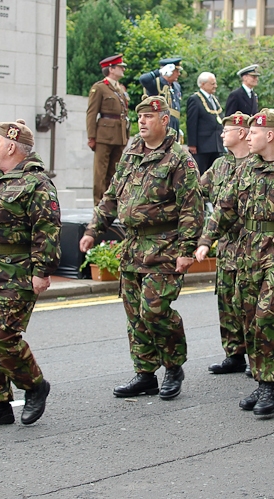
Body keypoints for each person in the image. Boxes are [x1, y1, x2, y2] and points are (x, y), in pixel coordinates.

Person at [80, 96, 203, 400]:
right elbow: (111, 194)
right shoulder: (132, 152)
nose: (143, 122)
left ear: (164, 120)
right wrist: (93, 229)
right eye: (140, 117)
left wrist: (187, 250)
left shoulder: (179, 159)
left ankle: (173, 366)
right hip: (133, 246)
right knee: (135, 314)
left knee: (154, 310)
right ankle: (145, 373)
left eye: (149, 116)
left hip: (165, 246)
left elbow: (192, 208)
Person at [196, 108, 274, 417]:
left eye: (254, 132)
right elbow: (225, 208)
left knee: (266, 316)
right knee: (248, 319)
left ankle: (272, 386)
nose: (248, 136)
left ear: (269, 135)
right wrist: (206, 240)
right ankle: (261, 380)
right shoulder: (245, 169)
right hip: (247, 254)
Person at [0, 119, 60, 428]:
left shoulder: (36, 183)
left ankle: (34, 386)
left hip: (14, 276)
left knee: (2, 339)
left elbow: (48, 229)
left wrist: (42, 271)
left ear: (12, 147)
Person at [201, 112, 250, 375]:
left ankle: (259, 356)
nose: (222, 134)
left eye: (226, 129)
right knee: (227, 299)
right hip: (227, 246)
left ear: (242, 132)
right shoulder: (220, 165)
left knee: (251, 302)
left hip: (253, 245)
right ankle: (234, 353)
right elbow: (199, 191)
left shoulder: (258, 162)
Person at [86, 54, 130, 205]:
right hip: (104, 135)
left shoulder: (120, 89)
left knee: (115, 171)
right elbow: (92, 113)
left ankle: (112, 203)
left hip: (119, 135)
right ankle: (99, 204)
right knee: (101, 172)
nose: (123, 69)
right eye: (120, 66)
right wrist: (91, 136)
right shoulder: (99, 88)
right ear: (111, 69)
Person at [186, 72, 224, 176]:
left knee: (216, 173)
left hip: (216, 143)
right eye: (212, 84)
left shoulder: (214, 99)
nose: (215, 86)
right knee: (201, 173)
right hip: (203, 144)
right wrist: (192, 143)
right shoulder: (195, 99)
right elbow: (192, 122)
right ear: (203, 84)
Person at [139, 57, 183, 135]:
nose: (179, 74)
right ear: (170, 71)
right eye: (177, 71)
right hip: (160, 123)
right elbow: (143, 79)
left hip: (173, 124)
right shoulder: (156, 83)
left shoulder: (176, 86)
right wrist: (159, 72)